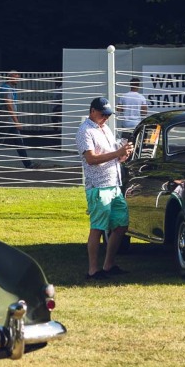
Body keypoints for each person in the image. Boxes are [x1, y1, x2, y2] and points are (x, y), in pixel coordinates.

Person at [76, 97, 132, 280]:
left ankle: (108, 264)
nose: (106, 118)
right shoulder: (85, 131)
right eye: (103, 114)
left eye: (108, 115)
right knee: (98, 228)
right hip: (98, 187)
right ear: (92, 111)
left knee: (121, 224)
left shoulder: (105, 128)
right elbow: (91, 159)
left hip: (114, 184)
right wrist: (117, 153)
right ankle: (93, 270)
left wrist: (122, 154)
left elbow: (112, 154)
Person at [0, 70, 33, 168]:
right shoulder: (6, 89)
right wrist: (16, 122)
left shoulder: (8, 88)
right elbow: (9, 105)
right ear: (10, 77)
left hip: (8, 119)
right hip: (6, 119)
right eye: (16, 78)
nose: (17, 80)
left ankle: (28, 164)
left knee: (17, 141)